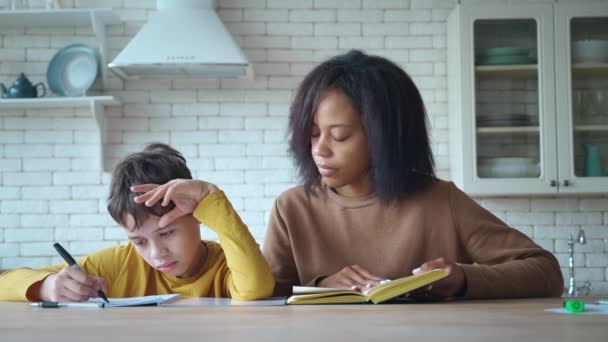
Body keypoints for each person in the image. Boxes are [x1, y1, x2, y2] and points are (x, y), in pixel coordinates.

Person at [261, 50, 564, 299]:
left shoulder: (440, 200)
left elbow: (545, 272)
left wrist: (462, 277)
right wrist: (321, 285)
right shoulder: (292, 208)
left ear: (386, 137)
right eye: (313, 135)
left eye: (339, 137)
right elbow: (263, 294)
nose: (320, 151)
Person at [0, 143, 274, 302]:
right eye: (139, 241)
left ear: (196, 217)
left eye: (166, 233)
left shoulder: (224, 265)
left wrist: (212, 200)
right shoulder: (118, 265)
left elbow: (256, 288)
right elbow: (4, 282)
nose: (156, 254)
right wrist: (47, 287)